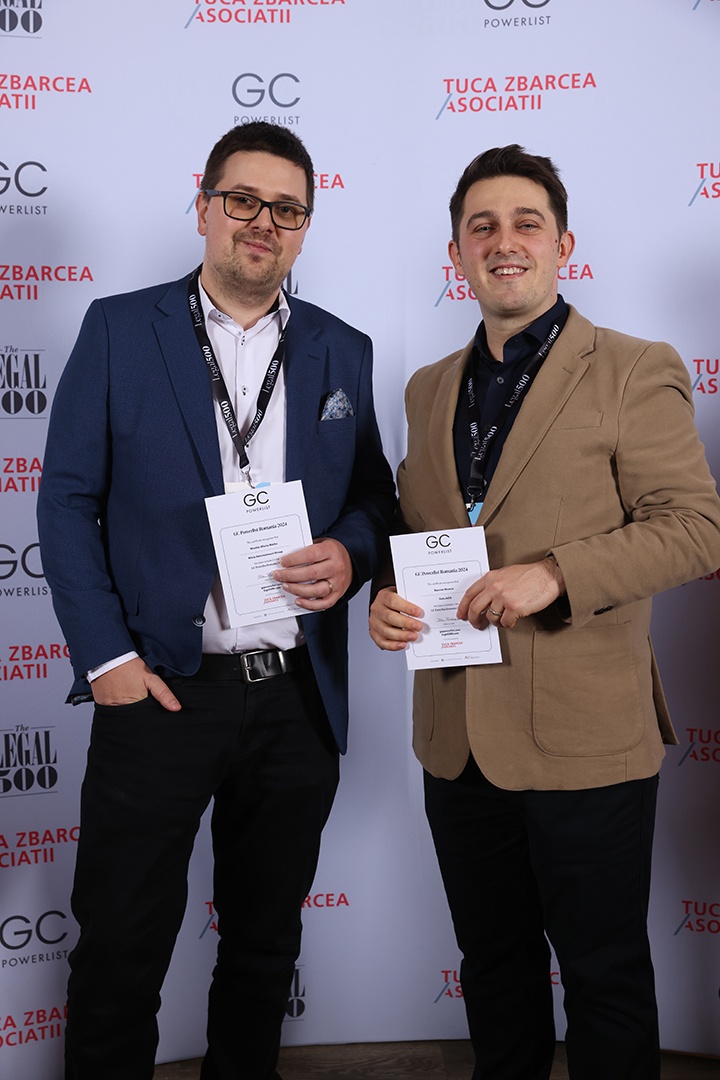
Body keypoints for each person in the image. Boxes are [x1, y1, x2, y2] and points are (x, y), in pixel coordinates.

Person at [37, 121, 395, 1080]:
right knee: (120, 949)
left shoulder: (343, 350)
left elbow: (374, 495)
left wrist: (351, 552)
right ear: (203, 207)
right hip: (159, 687)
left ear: (305, 226)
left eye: (287, 209)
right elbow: (65, 498)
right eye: (243, 200)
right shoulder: (120, 328)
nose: (263, 222)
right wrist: (108, 661)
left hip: (294, 699)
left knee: (265, 948)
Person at [369, 144, 720, 1080]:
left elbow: (695, 528)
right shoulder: (427, 386)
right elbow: (417, 529)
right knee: (494, 971)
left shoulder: (635, 368)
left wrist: (557, 574)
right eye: (481, 226)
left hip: (586, 741)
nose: (504, 241)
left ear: (564, 245)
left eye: (526, 223)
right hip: (457, 739)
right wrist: (384, 599)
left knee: (605, 977)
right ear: (457, 253)